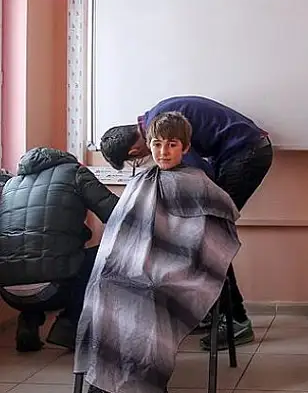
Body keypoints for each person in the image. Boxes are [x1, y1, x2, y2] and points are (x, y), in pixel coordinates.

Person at [77, 113, 242, 393]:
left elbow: (214, 231)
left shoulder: (199, 183)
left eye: (172, 144)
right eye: (157, 144)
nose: (163, 151)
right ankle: (103, 379)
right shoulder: (140, 181)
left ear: (185, 147)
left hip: (180, 267)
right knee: (104, 284)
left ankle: (147, 380)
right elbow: (121, 232)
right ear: (148, 146)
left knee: (151, 291)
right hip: (133, 262)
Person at [98, 95, 272, 351]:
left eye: (135, 161)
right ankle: (212, 312)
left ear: (135, 152)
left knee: (211, 238)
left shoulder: (164, 127)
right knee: (202, 237)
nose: (159, 152)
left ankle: (236, 320)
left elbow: (200, 176)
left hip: (248, 152)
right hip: (241, 151)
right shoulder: (157, 116)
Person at [0, 147, 119, 352]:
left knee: (35, 257)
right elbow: (117, 213)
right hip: (55, 289)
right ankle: (69, 323)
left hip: (8, 291)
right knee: (108, 255)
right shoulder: (75, 172)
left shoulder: (12, 184)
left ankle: (28, 321)